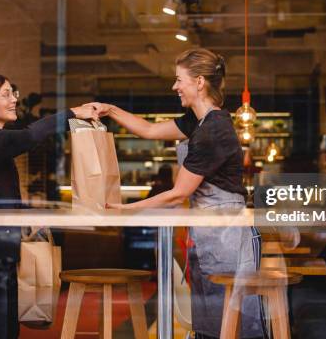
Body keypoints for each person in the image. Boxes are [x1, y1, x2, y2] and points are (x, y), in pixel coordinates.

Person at [92, 48, 266, 338]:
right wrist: (109, 109)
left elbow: (178, 193)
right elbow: (148, 130)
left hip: (226, 237)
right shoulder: (197, 122)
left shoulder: (213, 130)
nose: (174, 87)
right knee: (210, 321)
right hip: (209, 232)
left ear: (199, 82)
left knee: (232, 324)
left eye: (178, 80)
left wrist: (127, 209)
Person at [0, 73, 97, 339]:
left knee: (8, 330)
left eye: (13, 93)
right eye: (6, 94)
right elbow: (28, 138)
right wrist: (73, 112)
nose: (14, 99)